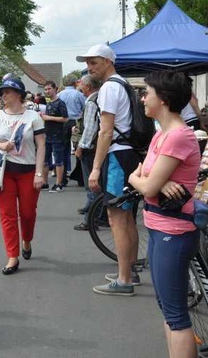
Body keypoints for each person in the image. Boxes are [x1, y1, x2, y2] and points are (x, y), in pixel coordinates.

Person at [126, 71, 200, 357]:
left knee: (176, 315)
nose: (143, 98)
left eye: (147, 93)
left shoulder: (177, 136)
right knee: (167, 309)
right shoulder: (161, 133)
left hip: (174, 230)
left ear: (164, 99)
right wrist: (152, 181)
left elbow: (144, 182)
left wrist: (148, 181)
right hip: (158, 227)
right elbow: (144, 174)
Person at [78, 44, 142, 296]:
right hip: (129, 154)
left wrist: (95, 168)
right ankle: (130, 270)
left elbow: (105, 131)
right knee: (127, 217)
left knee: (117, 218)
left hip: (117, 155)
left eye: (93, 62)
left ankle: (124, 278)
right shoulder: (122, 84)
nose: (89, 67)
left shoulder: (109, 88)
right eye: (88, 63)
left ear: (107, 61)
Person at [0, 76, 45, 275]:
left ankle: (27, 240)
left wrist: (39, 172)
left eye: (7, 92)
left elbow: (42, 145)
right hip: (3, 172)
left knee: (27, 214)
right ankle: (12, 256)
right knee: (7, 215)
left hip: (27, 171)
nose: (3, 96)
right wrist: (0, 146)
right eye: (2, 92)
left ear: (18, 94)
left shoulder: (33, 117)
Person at [73, 75, 103, 231]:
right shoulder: (100, 98)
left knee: (92, 184)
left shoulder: (92, 101)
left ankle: (90, 220)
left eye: (82, 85)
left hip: (90, 149)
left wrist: (81, 147)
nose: (80, 88)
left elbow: (90, 128)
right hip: (97, 146)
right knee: (96, 184)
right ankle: (96, 214)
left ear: (88, 86)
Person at [40, 81, 69, 191]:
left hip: (58, 135)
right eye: (46, 89)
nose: (47, 91)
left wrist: (49, 118)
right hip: (47, 135)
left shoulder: (60, 103)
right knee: (45, 160)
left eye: (49, 89)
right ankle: (45, 182)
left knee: (58, 160)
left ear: (55, 89)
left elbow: (65, 118)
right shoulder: (49, 103)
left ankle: (59, 183)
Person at [57, 74, 87, 181]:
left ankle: (63, 176)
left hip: (63, 122)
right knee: (79, 148)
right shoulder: (78, 94)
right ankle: (80, 176)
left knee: (64, 149)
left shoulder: (59, 95)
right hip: (76, 122)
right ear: (75, 83)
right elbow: (85, 107)